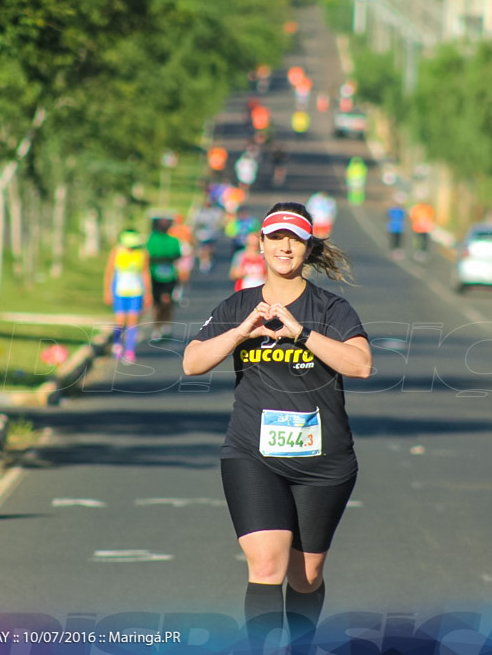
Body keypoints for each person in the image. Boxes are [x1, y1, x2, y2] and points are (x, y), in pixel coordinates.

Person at [183, 202, 372, 655]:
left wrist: (301, 334)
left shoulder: (331, 308)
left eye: (294, 238)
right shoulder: (239, 305)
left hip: (323, 461)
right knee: (266, 565)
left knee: (305, 577)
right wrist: (241, 332)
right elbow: (191, 362)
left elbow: (361, 365)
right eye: (275, 237)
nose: (284, 246)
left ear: (308, 247)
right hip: (253, 455)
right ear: (261, 244)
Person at [103, 230, 152, 364]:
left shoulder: (142, 253)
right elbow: (109, 272)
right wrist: (107, 291)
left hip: (136, 292)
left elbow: (145, 273)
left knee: (132, 322)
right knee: (119, 321)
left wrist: (148, 293)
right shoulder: (117, 252)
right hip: (119, 292)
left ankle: (130, 350)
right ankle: (118, 345)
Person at [146, 215, 183, 340]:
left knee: (166, 301)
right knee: (156, 304)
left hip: (169, 276)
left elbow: (177, 255)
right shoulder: (152, 239)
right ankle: (157, 327)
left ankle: (166, 324)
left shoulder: (173, 240)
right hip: (155, 276)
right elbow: (149, 256)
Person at [387, 194, 407, 260]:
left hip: (400, 228)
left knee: (399, 240)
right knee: (393, 240)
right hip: (393, 227)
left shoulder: (402, 210)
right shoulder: (392, 209)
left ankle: (398, 252)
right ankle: (393, 251)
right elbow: (388, 216)